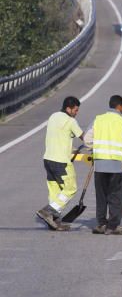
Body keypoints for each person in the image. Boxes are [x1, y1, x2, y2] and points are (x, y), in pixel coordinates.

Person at [84, 95, 122, 235]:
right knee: (116, 196)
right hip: (116, 166)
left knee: (101, 196)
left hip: (99, 166)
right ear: (120, 106)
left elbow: (87, 139)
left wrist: (95, 148)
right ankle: (113, 226)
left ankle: (101, 224)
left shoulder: (98, 119)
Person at [36, 96, 83, 231]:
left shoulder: (53, 116)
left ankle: (54, 221)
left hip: (48, 159)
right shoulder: (71, 121)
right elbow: (84, 138)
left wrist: (70, 148)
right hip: (61, 162)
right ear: (68, 109)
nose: (76, 112)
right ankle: (48, 211)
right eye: (75, 110)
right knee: (71, 188)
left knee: (55, 191)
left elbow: (59, 136)